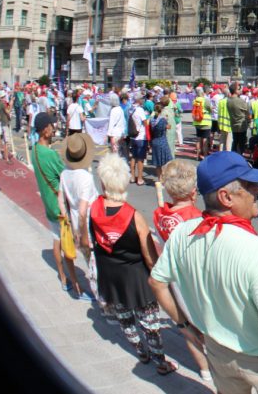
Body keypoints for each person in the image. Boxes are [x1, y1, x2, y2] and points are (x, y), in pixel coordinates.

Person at [149, 151, 258, 392]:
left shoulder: (182, 233)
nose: (257, 190)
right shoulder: (255, 249)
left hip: (217, 352)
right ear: (226, 197)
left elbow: (157, 282)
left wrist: (185, 326)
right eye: (249, 185)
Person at [89, 153, 178, 374]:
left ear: (103, 182)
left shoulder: (93, 210)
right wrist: (159, 277)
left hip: (111, 273)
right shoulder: (133, 216)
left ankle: (140, 350)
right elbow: (149, 255)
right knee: (150, 322)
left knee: (124, 317)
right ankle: (160, 361)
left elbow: (88, 239)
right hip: (136, 277)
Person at [150, 159, 212, 381]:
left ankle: (203, 368)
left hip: (175, 278)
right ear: (193, 191)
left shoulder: (159, 215)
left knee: (186, 323)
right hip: (197, 279)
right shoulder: (197, 218)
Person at [31, 112, 83, 298]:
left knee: (56, 240)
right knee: (66, 244)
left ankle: (62, 277)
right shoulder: (50, 155)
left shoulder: (35, 150)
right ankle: (76, 283)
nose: (53, 129)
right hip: (60, 206)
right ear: (45, 130)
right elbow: (67, 176)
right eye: (51, 126)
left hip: (48, 204)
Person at [57, 132, 98, 302]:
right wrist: (83, 235)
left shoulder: (65, 174)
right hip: (88, 225)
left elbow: (60, 200)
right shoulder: (86, 178)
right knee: (95, 264)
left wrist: (68, 219)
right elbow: (83, 210)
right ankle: (102, 298)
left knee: (89, 260)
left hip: (73, 222)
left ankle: (98, 293)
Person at [150, 98, 173, 188]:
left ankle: (159, 180)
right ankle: (163, 180)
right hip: (162, 141)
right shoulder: (162, 120)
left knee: (158, 163)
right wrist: (167, 119)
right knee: (164, 162)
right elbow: (168, 127)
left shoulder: (152, 120)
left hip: (155, 141)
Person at [226, 82, 252, 156]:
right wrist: (249, 120)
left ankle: (233, 157)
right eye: (239, 89)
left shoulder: (228, 100)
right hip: (241, 125)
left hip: (233, 124)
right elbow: (248, 113)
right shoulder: (240, 101)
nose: (241, 90)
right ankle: (240, 159)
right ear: (235, 90)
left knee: (235, 141)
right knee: (241, 144)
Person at [128, 94, 149, 186]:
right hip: (140, 136)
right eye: (142, 98)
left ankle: (132, 177)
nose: (143, 100)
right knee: (140, 158)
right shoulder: (140, 110)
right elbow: (145, 122)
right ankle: (140, 178)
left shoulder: (131, 108)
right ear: (139, 100)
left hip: (132, 135)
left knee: (133, 156)